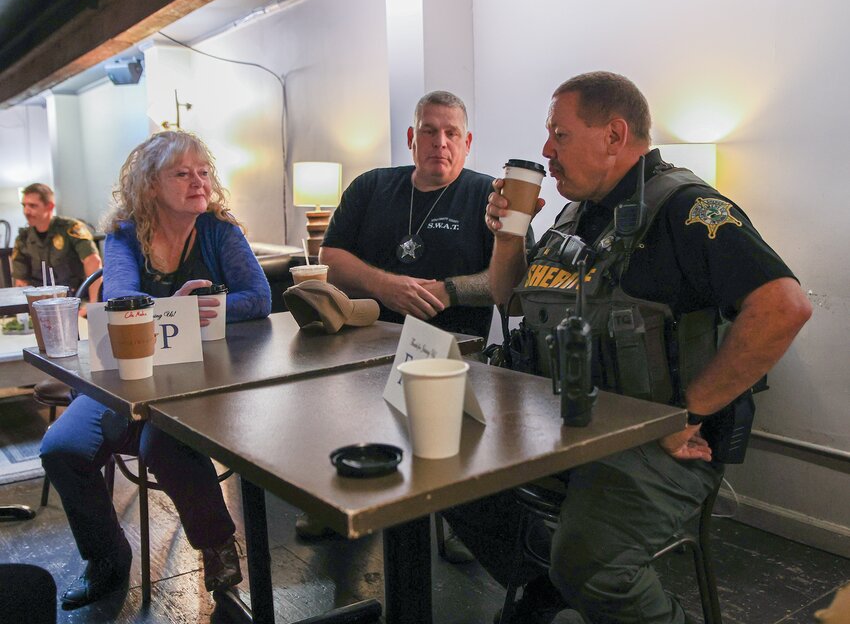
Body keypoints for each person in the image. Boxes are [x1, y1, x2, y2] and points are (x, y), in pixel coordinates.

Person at [443, 72, 812, 624]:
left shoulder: (686, 209)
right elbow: (509, 297)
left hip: (655, 440)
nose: (546, 150)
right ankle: (550, 581)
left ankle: (579, 582)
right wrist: (508, 237)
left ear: (614, 135)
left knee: (592, 565)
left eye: (559, 135)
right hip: (568, 421)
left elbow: (786, 306)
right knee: (446, 473)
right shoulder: (577, 213)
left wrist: (690, 412)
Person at [40, 131, 271, 610]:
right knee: (60, 447)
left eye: (203, 172)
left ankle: (216, 544)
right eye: (182, 173)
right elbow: (122, 300)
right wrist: (177, 309)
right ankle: (107, 558)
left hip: (206, 382)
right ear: (149, 186)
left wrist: (209, 306)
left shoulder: (219, 231)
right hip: (129, 378)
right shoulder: (125, 234)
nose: (199, 182)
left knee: (161, 440)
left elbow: (260, 298)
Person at [312, 91, 494, 554]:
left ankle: (462, 516)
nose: (441, 142)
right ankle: (342, 501)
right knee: (326, 397)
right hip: (366, 348)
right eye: (429, 131)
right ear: (412, 138)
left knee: (452, 442)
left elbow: (509, 282)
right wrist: (384, 284)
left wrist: (451, 289)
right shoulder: (372, 186)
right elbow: (328, 258)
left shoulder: (487, 196)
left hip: (455, 357)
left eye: (452, 133)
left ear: (467, 141)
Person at [12, 182, 102, 307]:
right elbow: (21, 281)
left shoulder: (71, 228)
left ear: (49, 206)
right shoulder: (23, 238)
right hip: (42, 306)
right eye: (24, 205)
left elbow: (92, 261)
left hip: (76, 301)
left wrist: (94, 303)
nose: (26, 211)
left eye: (32, 206)